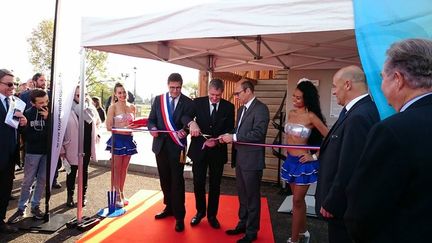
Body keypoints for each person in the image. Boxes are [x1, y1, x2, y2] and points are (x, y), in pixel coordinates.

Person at [345, 38, 432, 243]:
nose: (381, 86)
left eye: (382, 77)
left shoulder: (392, 131)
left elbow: (363, 210)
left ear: (398, 79)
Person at [314, 65, 379, 243]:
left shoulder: (359, 116)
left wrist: (333, 201)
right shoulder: (357, 111)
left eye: (335, 86)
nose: (333, 92)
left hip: (343, 208)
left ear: (348, 85)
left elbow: (350, 165)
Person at [147, 73, 200, 232]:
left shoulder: (189, 103)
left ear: (181, 86)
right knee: (164, 180)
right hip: (160, 146)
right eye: (172, 88)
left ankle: (179, 216)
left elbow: (188, 122)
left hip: (177, 148)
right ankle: (168, 207)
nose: (175, 91)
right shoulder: (159, 100)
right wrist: (153, 129)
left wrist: (185, 131)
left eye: (178, 88)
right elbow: (151, 120)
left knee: (177, 182)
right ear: (167, 85)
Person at [220, 79, 270, 243]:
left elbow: (258, 134)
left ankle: (251, 231)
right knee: (242, 195)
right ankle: (242, 224)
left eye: (237, 93)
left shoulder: (261, 109)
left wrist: (233, 137)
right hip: (240, 158)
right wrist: (226, 135)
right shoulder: (241, 109)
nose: (235, 96)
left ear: (248, 91)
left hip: (252, 160)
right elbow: (239, 130)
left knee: (252, 196)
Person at [281, 80, 328, 243]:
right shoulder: (291, 112)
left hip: (303, 164)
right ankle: (304, 232)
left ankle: (294, 240)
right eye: (294, 96)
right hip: (290, 162)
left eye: (298, 98)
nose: (294, 100)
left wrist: (313, 156)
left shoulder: (311, 116)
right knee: (297, 201)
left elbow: (329, 138)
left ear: (307, 99)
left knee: (297, 201)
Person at [187, 78, 235, 229]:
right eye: (212, 95)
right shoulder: (197, 102)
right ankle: (200, 212)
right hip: (199, 150)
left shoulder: (229, 107)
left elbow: (230, 129)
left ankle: (212, 215)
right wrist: (191, 123)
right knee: (198, 183)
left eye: (218, 95)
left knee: (215, 185)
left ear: (222, 93)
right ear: (208, 91)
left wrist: (219, 140)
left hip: (218, 151)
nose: (214, 98)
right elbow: (185, 117)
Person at [8, 89, 50, 223]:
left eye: (46, 101)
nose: (44, 104)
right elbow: (26, 136)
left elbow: (56, 132)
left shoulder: (51, 113)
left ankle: (35, 205)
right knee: (28, 181)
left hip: (46, 152)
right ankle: (21, 208)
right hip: (32, 152)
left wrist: (48, 119)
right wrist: (25, 126)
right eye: (40, 102)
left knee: (42, 179)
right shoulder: (28, 114)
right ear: (32, 103)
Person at [61, 86, 100, 207]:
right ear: (73, 95)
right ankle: (70, 196)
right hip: (72, 146)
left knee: (84, 171)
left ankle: (82, 196)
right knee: (71, 172)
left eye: (84, 94)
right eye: (78, 95)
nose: (81, 97)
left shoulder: (91, 108)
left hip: (87, 145)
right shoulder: (66, 109)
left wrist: (97, 134)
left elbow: (97, 122)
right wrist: (61, 149)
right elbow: (60, 131)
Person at [0, 69, 27, 234]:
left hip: (10, 155)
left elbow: (15, 127)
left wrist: (23, 121)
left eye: (15, 83)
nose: (13, 87)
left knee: (4, 190)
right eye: (9, 84)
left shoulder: (14, 102)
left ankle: (1, 221)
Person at [105, 83, 137, 207]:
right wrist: (123, 128)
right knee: (116, 168)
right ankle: (116, 194)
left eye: (124, 92)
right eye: (119, 92)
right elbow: (108, 127)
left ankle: (122, 192)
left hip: (129, 139)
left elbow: (135, 124)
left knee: (124, 168)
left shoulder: (132, 107)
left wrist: (135, 126)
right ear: (115, 94)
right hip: (117, 139)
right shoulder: (112, 107)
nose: (122, 95)